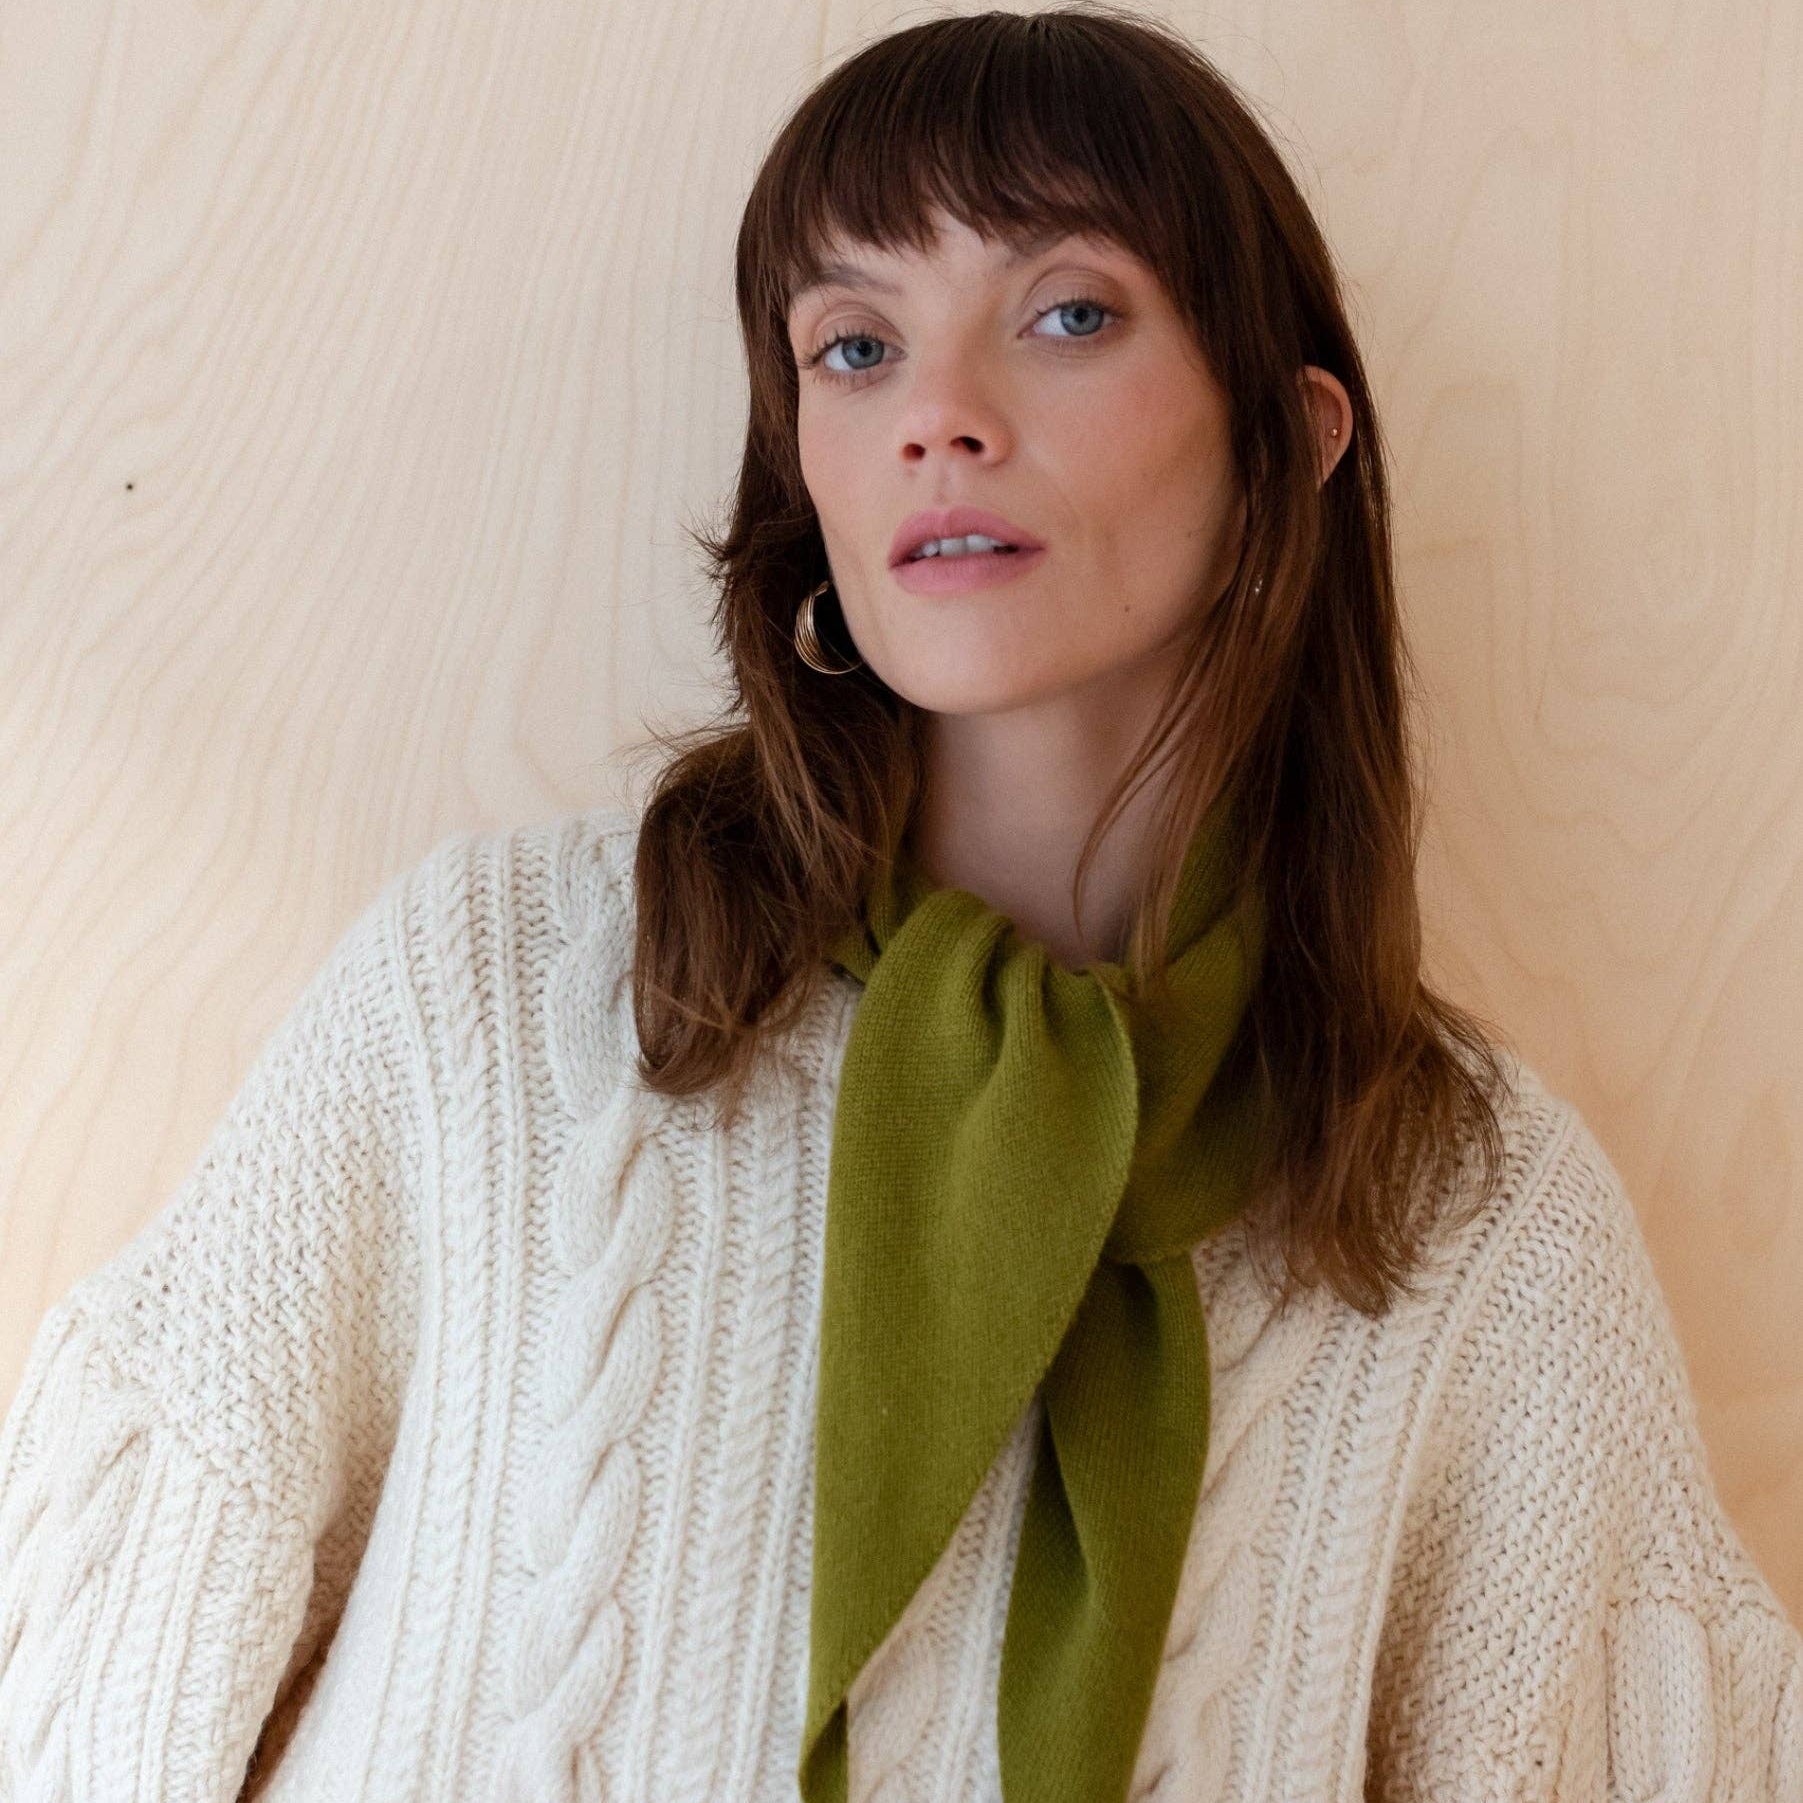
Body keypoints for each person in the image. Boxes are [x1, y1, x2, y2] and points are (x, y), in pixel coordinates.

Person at [2, 7, 1798, 1800]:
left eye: (1069, 314)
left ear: (1292, 436)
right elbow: (110, 1661)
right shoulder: (493, 997)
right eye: (853, 346)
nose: (940, 415)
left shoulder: (1471, 1219)